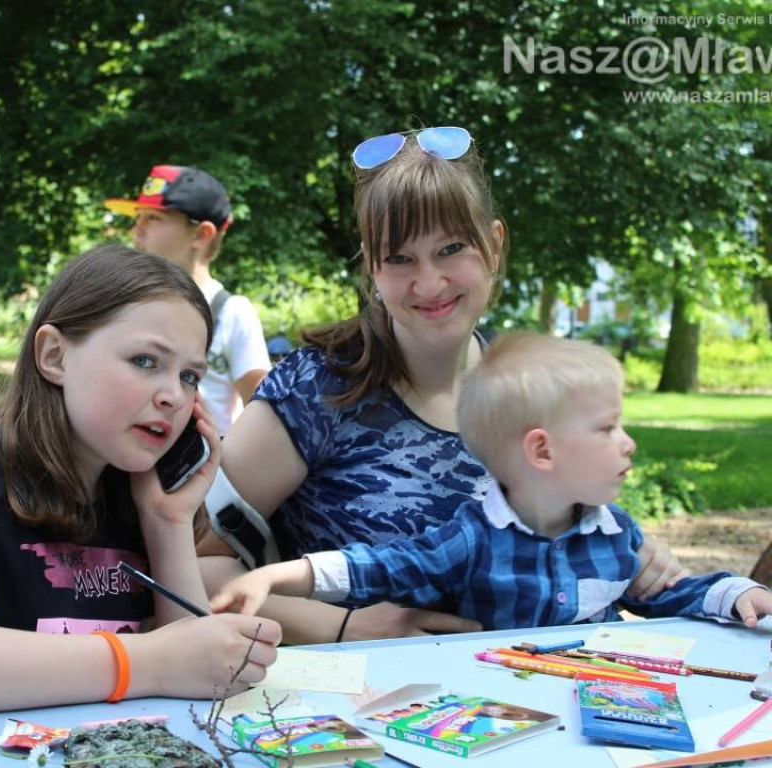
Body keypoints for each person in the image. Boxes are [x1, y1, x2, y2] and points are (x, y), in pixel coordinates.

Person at [197, 127, 686, 644]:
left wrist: (635, 554)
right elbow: (196, 570)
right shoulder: (316, 389)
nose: (428, 284)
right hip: (374, 709)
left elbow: (570, 516)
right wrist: (346, 627)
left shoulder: (532, 379)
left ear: (494, 245)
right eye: (400, 258)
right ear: (372, 265)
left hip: (547, 696)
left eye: (451, 249)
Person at [0, 245, 281, 715]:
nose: (174, 396)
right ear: (54, 355)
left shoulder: (137, 492)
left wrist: (167, 523)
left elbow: (198, 677)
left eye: (190, 375)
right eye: (144, 361)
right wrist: (147, 663)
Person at [209, 333, 772, 631]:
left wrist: (735, 594)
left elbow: (669, 597)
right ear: (542, 451)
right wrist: (275, 578)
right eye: (608, 429)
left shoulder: (616, 535)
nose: (629, 443)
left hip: (596, 714)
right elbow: (380, 565)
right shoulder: (474, 536)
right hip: (492, 719)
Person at [105, 165, 271, 436]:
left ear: (201, 234)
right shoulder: (130, 305)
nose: (137, 230)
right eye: (138, 217)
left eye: (153, 218)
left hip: (210, 474)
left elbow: (265, 411)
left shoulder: (231, 312)